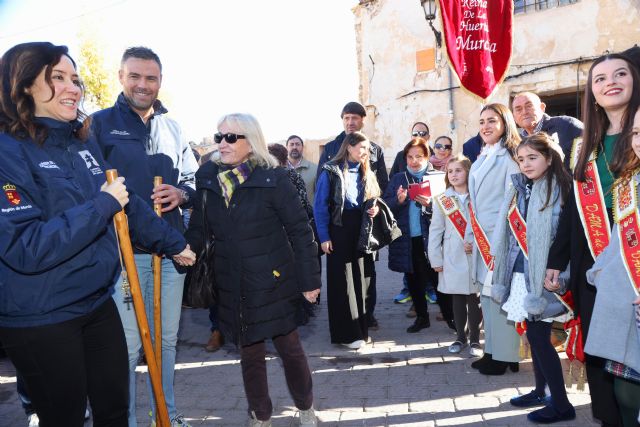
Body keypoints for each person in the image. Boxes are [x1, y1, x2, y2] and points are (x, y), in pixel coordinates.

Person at [0, 42, 194, 427]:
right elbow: (25, 246)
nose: (73, 88)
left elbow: (126, 198)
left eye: (75, 79)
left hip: (94, 301)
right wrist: (101, 206)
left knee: (114, 409)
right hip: (42, 314)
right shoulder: (8, 152)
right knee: (66, 417)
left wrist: (175, 243)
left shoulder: (80, 140)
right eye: (57, 78)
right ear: (22, 86)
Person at [185, 113, 321, 427]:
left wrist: (310, 280)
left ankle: (305, 408)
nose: (223, 143)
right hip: (233, 282)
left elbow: (301, 231)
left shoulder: (274, 177)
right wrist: (183, 250)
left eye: (231, 137)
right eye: (219, 136)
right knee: (250, 356)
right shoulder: (208, 177)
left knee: (290, 349)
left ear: (251, 141)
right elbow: (198, 226)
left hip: (274, 281)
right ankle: (261, 416)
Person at [91, 46, 199, 426]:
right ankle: (127, 420)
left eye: (150, 78)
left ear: (160, 82)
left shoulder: (173, 127)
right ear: (121, 77)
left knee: (166, 341)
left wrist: (181, 194)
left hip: (170, 255)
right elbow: (97, 191)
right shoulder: (98, 125)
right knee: (129, 346)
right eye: (135, 76)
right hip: (124, 255)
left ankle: (164, 415)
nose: (142, 84)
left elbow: (192, 180)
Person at [546, 53, 640, 427]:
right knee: (601, 355)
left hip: (633, 268)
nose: (609, 82)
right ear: (593, 94)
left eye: (620, 74)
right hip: (593, 269)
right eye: (599, 79)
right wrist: (557, 260)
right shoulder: (584, 147)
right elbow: (571, 211)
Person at [491, 133, 575, 423]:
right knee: (532, 333)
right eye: (521, 159)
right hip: (519, 272)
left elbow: (566, 239)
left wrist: (563, 275)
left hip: (543, 276)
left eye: (533, 158)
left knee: (540, 338)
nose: (526, 164)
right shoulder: (519, 187)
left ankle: (562, 405)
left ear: (549, 158)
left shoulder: (561, 189)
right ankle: (540, 390)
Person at [584, 106, 640, 427]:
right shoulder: (628, 181)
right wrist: (601, 271)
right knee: (626, 393)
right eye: (635, 132)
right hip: (622, 302)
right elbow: (619, 238)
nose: (639, 140)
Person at [317, 101, 387, 329]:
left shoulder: (374, 149)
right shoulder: (329, 150)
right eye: (346, 118)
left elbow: (380, 185)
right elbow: (322, 193)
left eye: (354, 118)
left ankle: (368, 315)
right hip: (340, 225)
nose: (350, 122)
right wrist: (324, 233)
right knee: (342, 275)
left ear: (362, 121)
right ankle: (346, 322)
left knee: (367, 272)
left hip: (365, 223)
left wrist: (377, 207)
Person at [465, 103, 522, 376]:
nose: (486, 126)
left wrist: (499, 239)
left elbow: (511, 203)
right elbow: (474, 203)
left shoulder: (510, 158)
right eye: (482, 121)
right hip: (481, 236)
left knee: (499, 296)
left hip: (500, 237)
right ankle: (492, 351)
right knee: (486, 298)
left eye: (492, 121)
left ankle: (505, 356)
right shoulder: (482, 157)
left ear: (504, 124)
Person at [384, 137, 448, 333]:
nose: (414, 161)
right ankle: (422, 317)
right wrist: (399, 200)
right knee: (413, 280)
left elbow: (449, 208)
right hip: (408, 239)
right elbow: (387, 207)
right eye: (410, 157)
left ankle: (450, 316)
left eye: (418, 156)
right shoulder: (398, 178)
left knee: (438, 280)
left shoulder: (438, 177)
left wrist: (430, 205)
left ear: (427, 156)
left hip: (433, 238)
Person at [429, 154, 482, 355]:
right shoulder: (442, 200)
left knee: (475, 298)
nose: (453, 174)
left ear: (469, 172)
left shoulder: (478, 196)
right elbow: (435, 230)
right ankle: (461, 337)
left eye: (458, 170)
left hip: (476, 255)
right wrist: (435, 258)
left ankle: (476, 340)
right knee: (458, 297)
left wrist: (477, 245)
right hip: (452, 255)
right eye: (450, 171)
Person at [511, 91, 583, 167]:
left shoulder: (567, 125)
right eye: (518, 109)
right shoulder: (517, 141)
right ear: (514, 116)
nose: (524, 112)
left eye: (529, 106)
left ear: (542, 108)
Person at [286, 135, 317, 204]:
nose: (294, 147)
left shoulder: (315, 169)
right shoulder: (280, 170)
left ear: (302, 147)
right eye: (291, 144)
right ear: (287, 148)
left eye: (297, 144)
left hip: (308, 214)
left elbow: (320, 196)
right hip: (285, 214)